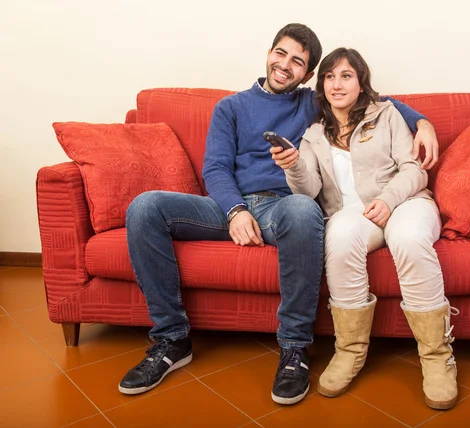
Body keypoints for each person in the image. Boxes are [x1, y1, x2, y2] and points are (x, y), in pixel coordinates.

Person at [119, 24, 440, 406]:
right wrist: (235, 210)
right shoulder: (231, 107)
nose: (285, 65)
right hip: (226, 206)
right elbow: (216, 169)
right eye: (281, 54)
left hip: (283, 208)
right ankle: (172, 339)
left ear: (308, 75)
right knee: (145, 207)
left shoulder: (314, 102)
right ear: (269, 53)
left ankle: (294, 350)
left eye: (298, 62)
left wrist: (423, 122)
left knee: (304, 209)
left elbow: (373, 100)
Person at [273, 47, 459, 410]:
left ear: (361, 84)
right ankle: (349, 351)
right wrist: (292, 165)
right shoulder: (312, 134)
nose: (337, 84)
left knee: (407, 238)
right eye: (329, 76)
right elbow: (308, 190)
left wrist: (389, 200)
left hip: (405, 203)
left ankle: (437, 357)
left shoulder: (387, 114)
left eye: (346, 76)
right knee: (339, 237)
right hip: (352, 214)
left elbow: (414, 168)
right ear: (321, 84)